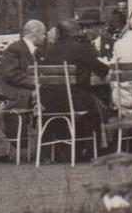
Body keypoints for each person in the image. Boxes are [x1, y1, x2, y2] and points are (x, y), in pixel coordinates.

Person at [40, 19, 112, 154]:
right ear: (76, 32)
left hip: (48, 101)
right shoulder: (80, 48)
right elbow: (102, 70)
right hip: (74, 100)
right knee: (97, 104)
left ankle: (66, 149)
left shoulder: (48, 51)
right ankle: (96, 149)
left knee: (88, 100)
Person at [0, 19, 47, 109]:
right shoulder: (15, 48)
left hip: (24, 89)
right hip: (13, 92)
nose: (45, 37)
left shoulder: (35, 51)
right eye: (43, 33)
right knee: (48, 95)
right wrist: (36, 84)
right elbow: (11, 74)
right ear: (35, 32)